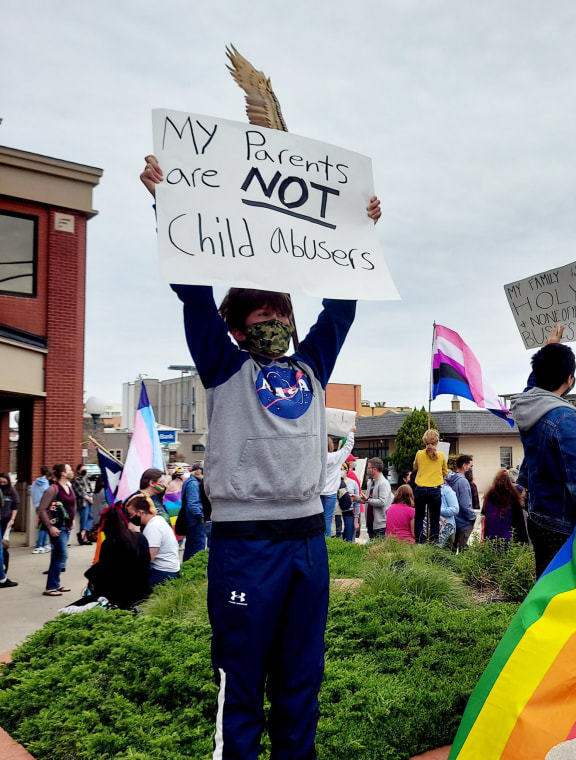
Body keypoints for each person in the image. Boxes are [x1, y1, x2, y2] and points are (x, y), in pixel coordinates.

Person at [140, 152, 380, 760]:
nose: (273, 319)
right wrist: (166, 204)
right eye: (261, 313)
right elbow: (193, 296)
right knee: (241, 686)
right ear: (239, 326)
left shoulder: (312, 367)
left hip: (307, 543)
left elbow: (342, 307)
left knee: (302, 685)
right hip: (244, 549)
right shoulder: (224, 368)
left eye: (280, 312)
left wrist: (357, 230)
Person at [510, 324, 576, 577]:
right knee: (563, 594)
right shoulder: (564, 417)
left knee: (545, 588)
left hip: (538, 515)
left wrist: (548, 349)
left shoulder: (529, 405)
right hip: (563, 522)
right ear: (569, 379)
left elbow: (533, 385)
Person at [84, 505, 151, 609]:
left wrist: (90, 575)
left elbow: (104, 570)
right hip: (142, 592)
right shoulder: (140, 538)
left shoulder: (110, 543)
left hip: (119, 596)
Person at [125, 493, 180, 589]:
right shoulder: (157, 520)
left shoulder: (153, 527)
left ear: (140, 512)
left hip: (163, 573)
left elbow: (148, 559)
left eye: (131, 514)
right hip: (167, 569)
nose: (130, 518)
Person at [37, 463, 76, 596]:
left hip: (67, 526)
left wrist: (73, 519)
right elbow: (41, 509)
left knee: (57, 556)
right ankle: (51, 587)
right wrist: (50, 526)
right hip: (57, 527)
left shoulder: (68, 487)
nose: (72, 471)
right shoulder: (52, 489)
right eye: (69, 469)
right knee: (62, 555)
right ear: (63, 473)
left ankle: (54, 585)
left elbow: (72, 504)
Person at [412, 429, 448, 544]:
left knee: (419, 517)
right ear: (437, 441)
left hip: (421, 489)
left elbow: (415, 466)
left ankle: (418, 540)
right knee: (434, 518)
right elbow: (445, 472)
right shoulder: (441, 456)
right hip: (434, 489)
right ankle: (433, 542)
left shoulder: (419, 454)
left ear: (424, 441)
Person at [320, 426, 356, 538]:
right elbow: (347, 448)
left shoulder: (314, 458)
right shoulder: (336, 457)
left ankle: (318, 539)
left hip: (318, 492)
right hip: (331, 492)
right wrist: (351, 433)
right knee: (328, 518)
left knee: (317, 517)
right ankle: (327, 540)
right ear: (330, 446)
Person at [481, 468, 528, 547]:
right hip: (508, 541)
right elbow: (520, 524)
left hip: (491, 539)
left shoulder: (489, 497)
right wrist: (524, 543)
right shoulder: (513, 498)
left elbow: (485, 518)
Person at [445, 455, 476, 551]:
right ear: (464, 466)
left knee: (451, 550)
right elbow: (465, 504)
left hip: (451, 521)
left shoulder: (448, 479)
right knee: (463, 551)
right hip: (463, 522)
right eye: (471, 466)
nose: (471, 469)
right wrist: (472, 517)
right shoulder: (463, 481)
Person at [359, 457, 392, 539]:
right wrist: (355, 498)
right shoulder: (370, 482)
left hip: (380, 525)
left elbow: (382, 502)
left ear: (375, 469)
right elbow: (366, 499)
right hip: (370, 522)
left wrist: (367, 499)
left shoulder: (383, 483)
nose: (367, 470)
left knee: (379, 549)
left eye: (369, 468)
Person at [179, 464, 206, 563]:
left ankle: (186, 569)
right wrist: (200, 516)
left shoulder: (188, 482)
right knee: (197, 549)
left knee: (190, 547)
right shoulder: (194, 484)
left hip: (190, 521)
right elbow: (193, 503)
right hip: (195, 521)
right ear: (197, 472)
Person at [0, 473, 19, 575]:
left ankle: (4, 570)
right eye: (0, 482)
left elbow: (15, 506)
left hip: (6, 520)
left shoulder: (11, 492)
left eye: (4, 482)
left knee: (4, 546)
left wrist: (12, 519)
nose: (2, 484)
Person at [30, 466, 52, 554]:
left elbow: (31, 491)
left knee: (43, 525)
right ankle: (39, 545)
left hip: (37, 505)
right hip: (45, 506)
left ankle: (44, 544)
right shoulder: (47, 483)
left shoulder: (35, 483)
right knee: (44, 526)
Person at [72, 463, 94, 545]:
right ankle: (83, 539)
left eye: (85, 469)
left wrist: (91, 496)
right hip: (83, 502)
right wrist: (88, 498)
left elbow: (90, 489)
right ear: (78, 471)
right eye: (83, 469)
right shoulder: (77, 480)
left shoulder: (86, 479)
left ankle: (83, 533)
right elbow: (80, 492)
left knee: (91, 518)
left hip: (89, 499)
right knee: (84, 520)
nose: (85, 471)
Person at [439, 481, 459, 551]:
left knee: (445, 557)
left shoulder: (446, 490)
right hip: (430, 529)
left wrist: (437, 511)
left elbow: (455, 509)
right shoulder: (425, 489)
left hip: (446, 529)